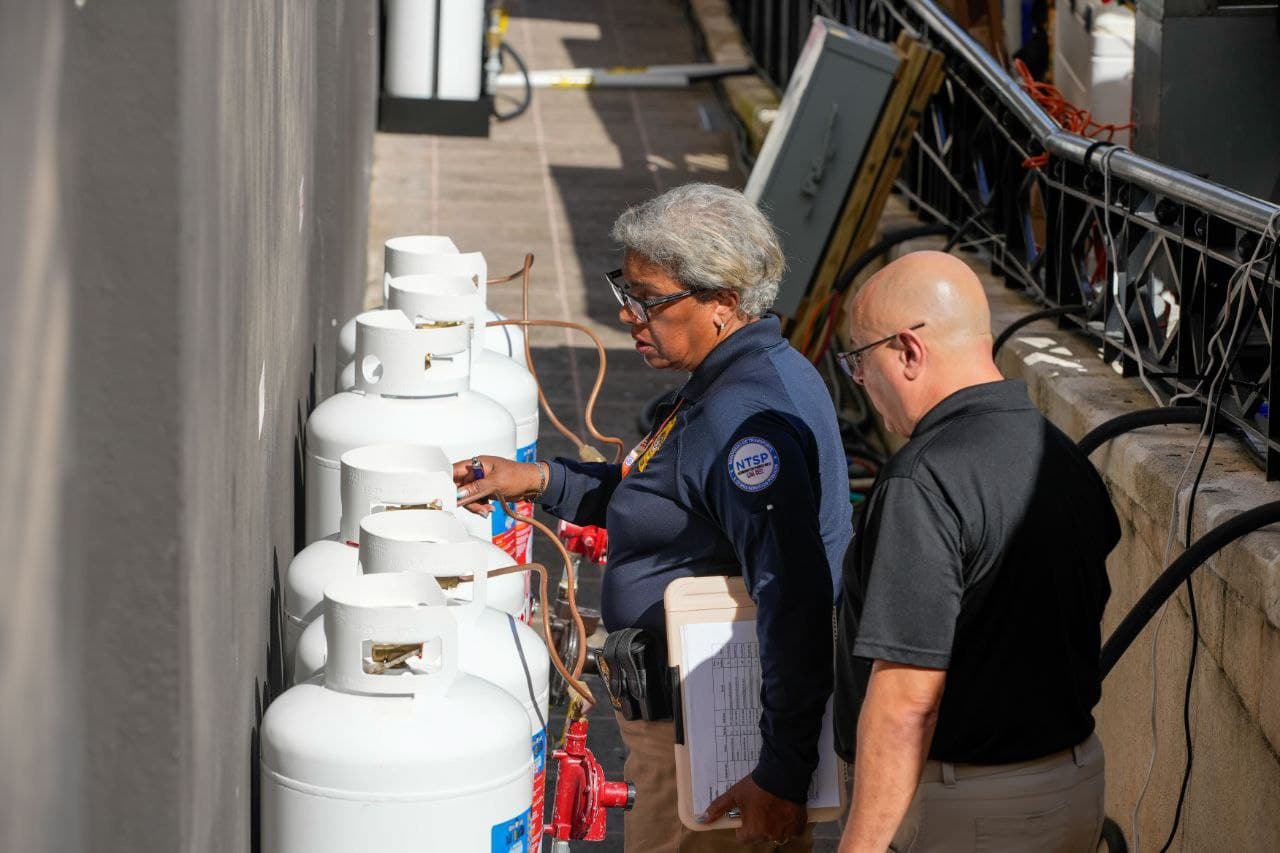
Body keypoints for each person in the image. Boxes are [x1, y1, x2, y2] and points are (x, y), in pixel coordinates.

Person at [454, 183, 852, 852]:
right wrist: (540, 479)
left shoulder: (746, 428)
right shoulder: (735, 379)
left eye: (650, 300)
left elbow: (797, 600)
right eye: (625, 291)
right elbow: (662, 497)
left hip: (711, 746)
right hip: (689, 728)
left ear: (724, 301)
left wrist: (781, 777)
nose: (630, 316)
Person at [832, 250, 1120, 852]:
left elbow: (907, 701)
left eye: (860, 359)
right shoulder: (1063, 457)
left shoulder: (925, 480)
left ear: (908, 351)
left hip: (966, 810)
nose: (861, 380)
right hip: (1070, 785)